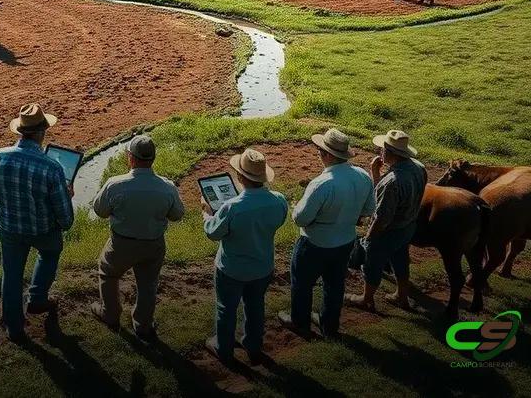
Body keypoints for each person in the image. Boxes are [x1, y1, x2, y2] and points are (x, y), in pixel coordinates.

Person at [0, 103, 74, 342]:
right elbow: (65, 218)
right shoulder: (53, 167)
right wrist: (66, 197)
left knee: (11, 274)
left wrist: (9, 194)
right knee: (50, 252)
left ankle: (14, 328)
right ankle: (37, 298)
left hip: (10, 228)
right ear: (42, 132)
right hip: (43, 229)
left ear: (20, 132)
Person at [280, 128, 375, 338]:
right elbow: (369, 209)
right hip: (346, 240)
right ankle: (329, 325)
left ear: (328, 155)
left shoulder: (321, 184)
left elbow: (300, 219)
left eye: (320, 151)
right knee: (335, 284)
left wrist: (296, 207)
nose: (318, 154)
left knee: (302, 283)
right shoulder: (363, 176)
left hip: (314, 242)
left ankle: (300, 322)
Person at [89, 135, 185, 343]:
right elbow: (177, 215)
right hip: (153, 243)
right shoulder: (167, 187)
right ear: (153, 158)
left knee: (108, 273)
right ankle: (143, 324)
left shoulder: (115, 184)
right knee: (148, 283)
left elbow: (100, 211)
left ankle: (110, 314)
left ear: (130, 158)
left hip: (121, 244)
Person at [202, 148, 288, 365]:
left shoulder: (232, 207)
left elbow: (212, 233)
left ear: (240, 177)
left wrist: (207, 213)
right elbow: (279, 221)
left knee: (226, 308)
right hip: (262, 266)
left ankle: (223, 349)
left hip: (232, 268)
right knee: (255, 306)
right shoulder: (279, 200)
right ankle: (253, 345)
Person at [346, 130, 426, 312]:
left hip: (388, 230)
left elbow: (382, 215)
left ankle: (366, 299)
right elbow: (383, 197)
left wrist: (370, 237)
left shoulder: (391, 182)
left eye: (382, 149)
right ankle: (401, 296)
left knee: (372, 262)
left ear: (389, 152)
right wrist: (375, 172)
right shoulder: (418, 168)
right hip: (407, 226)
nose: (380, 152)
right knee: (401, 258)